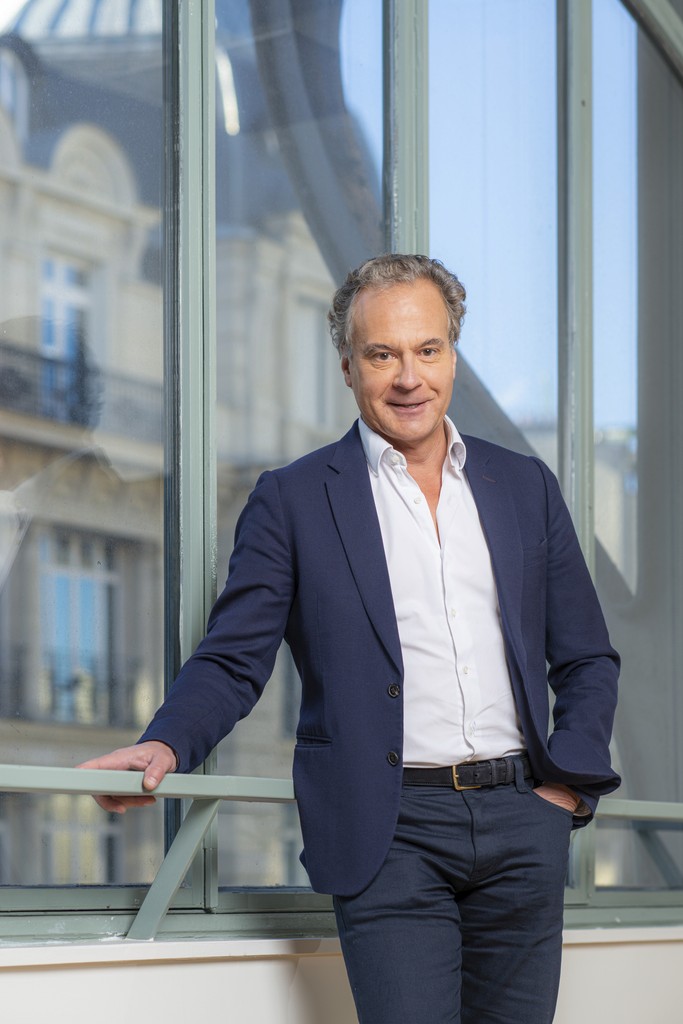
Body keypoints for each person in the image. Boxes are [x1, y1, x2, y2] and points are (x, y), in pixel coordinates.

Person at [81, 254, 620, 1024]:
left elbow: (586, 656)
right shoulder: (292, 499)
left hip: (522, 819)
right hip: (389, 830)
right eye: (382, 354)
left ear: (453, 356)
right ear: (347, 366)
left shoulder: (523, 486)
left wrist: (563, 788)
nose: (409, 377)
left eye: (427, 350)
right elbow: (234, 659)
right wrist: (163, 745)